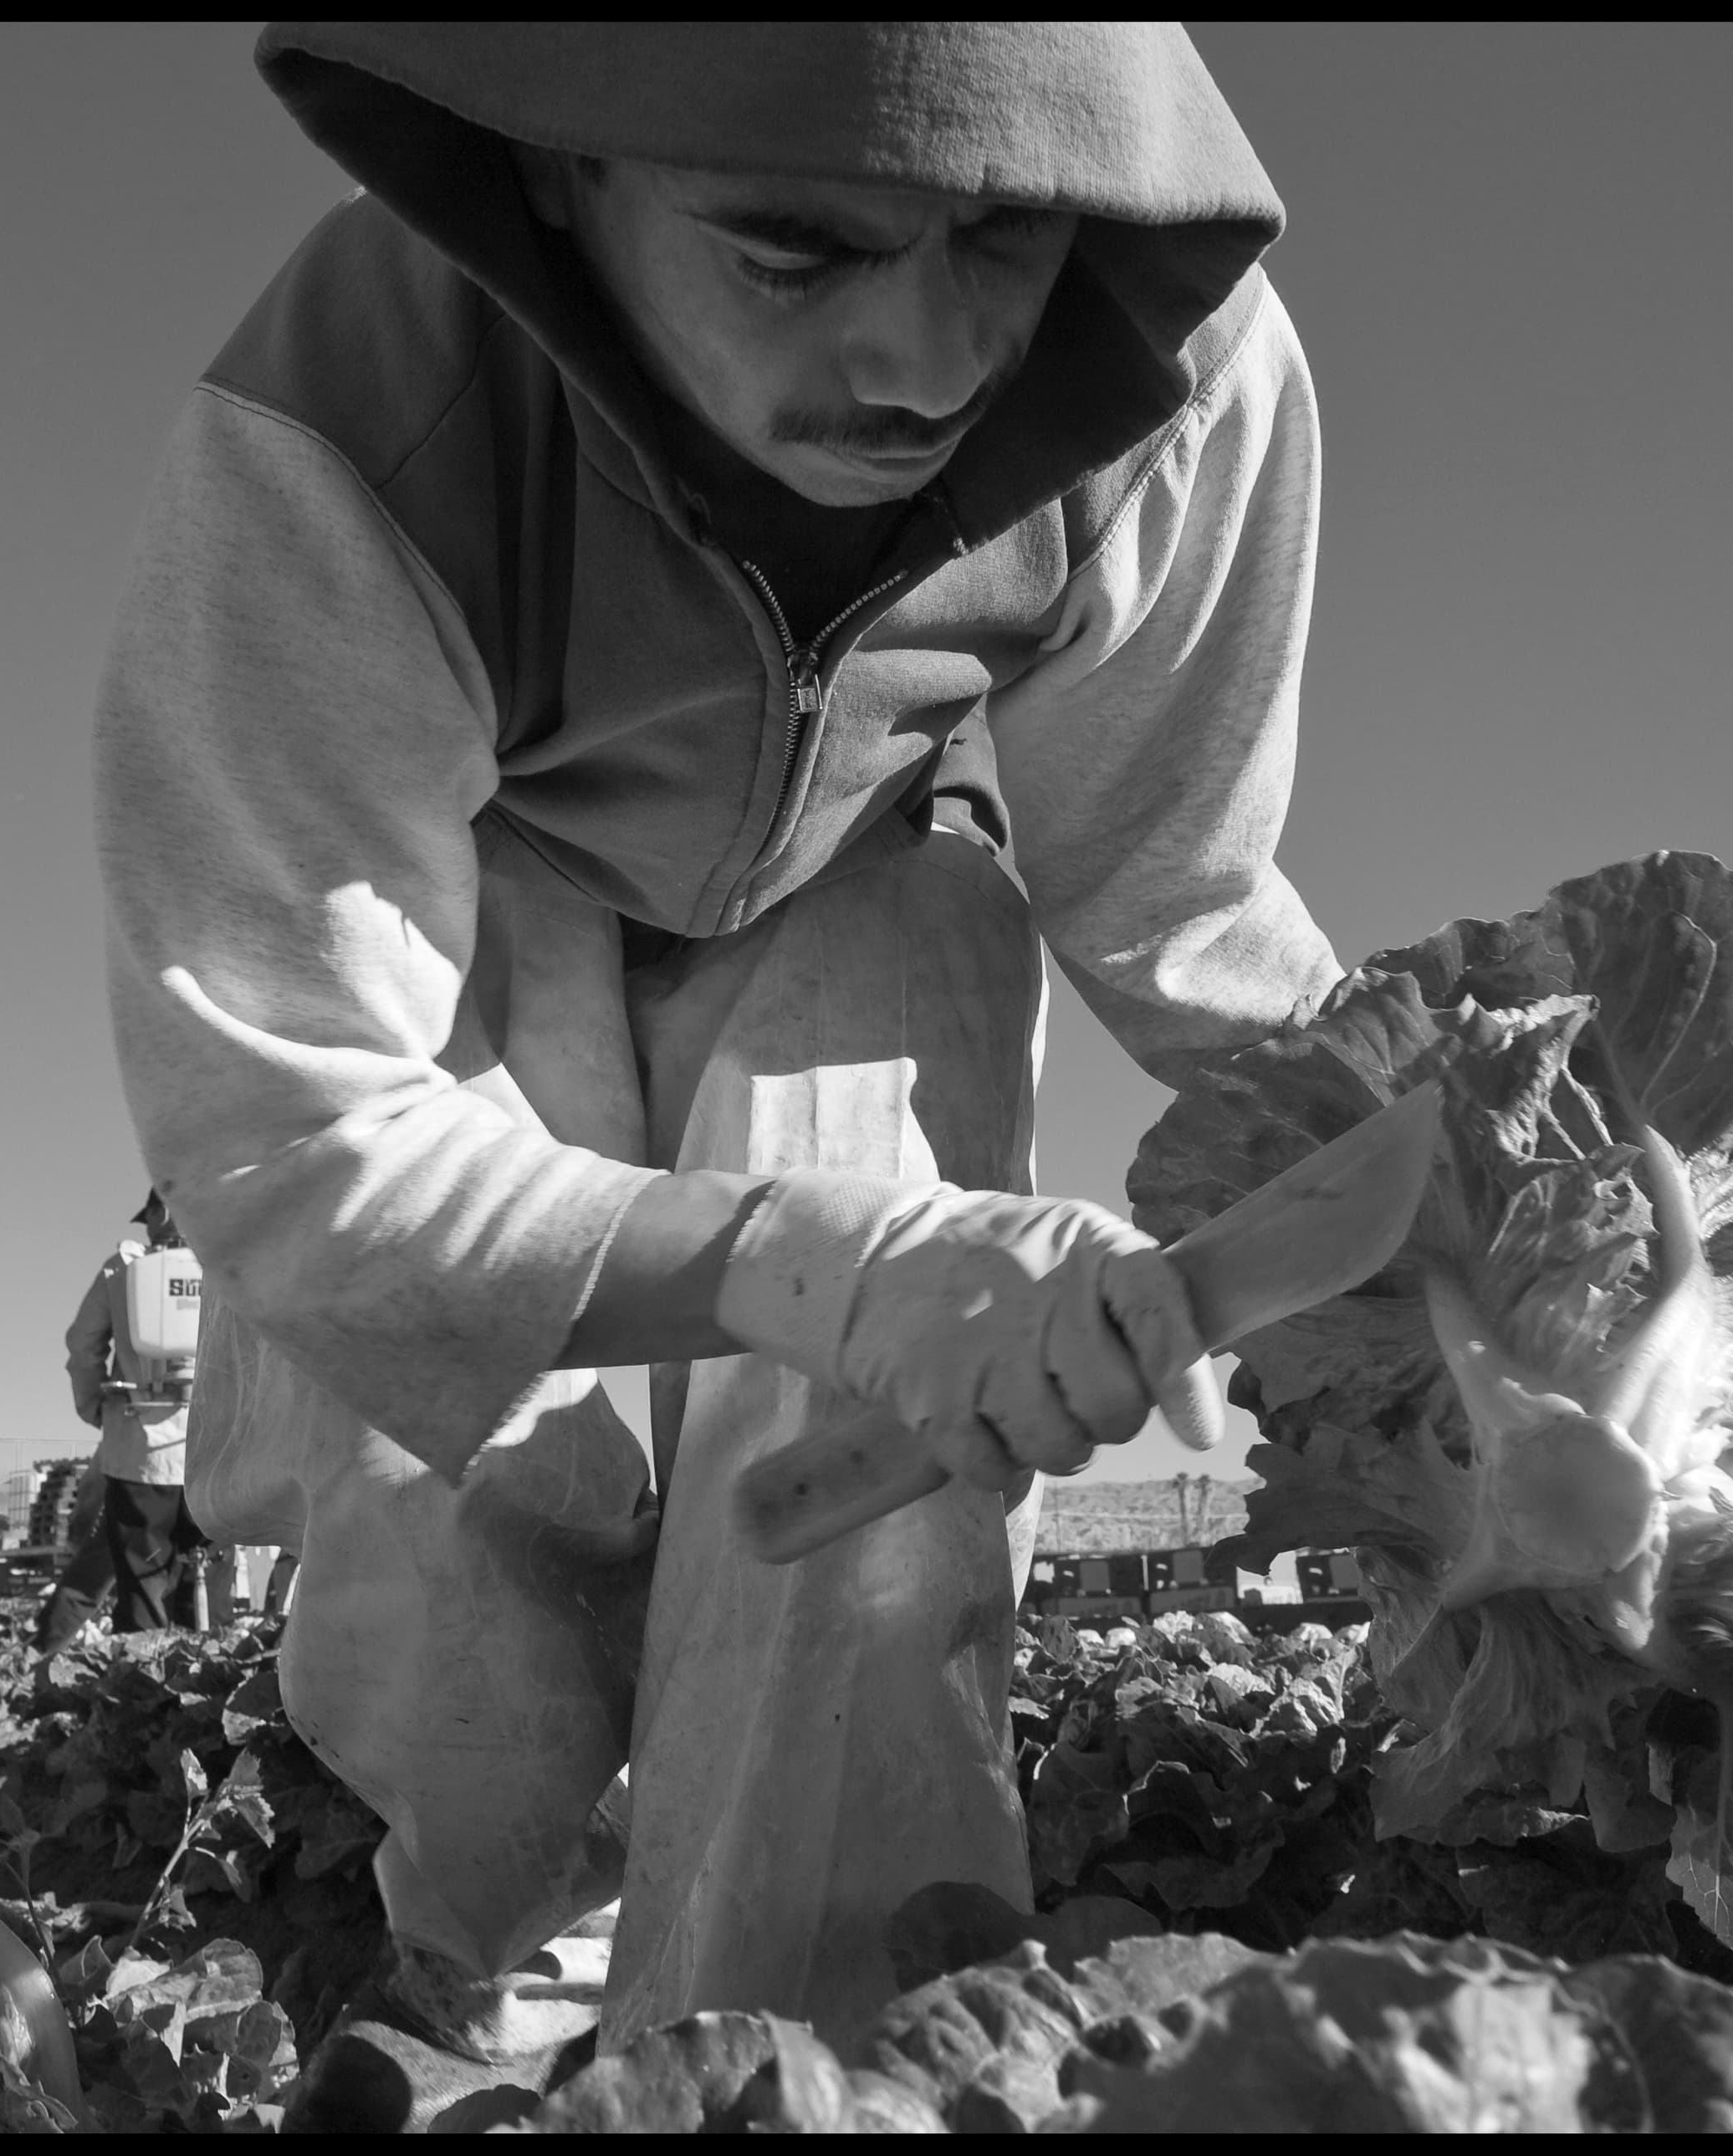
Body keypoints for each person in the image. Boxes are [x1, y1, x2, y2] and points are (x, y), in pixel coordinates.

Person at [96, 22, 1343, 2090]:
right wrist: (807, 1255)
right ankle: (495, 1971)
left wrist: (1461, 1184)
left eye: (1004, 239)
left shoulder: (1180, 376)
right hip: (487, 900)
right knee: (473, 1504)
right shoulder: (338, 425)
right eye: (790, 248)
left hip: (876, 872)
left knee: (868, 1498)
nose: (927, 359)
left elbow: (1173, 892)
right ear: (562, 165)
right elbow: (304, 1122)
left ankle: (819, 2053)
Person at [37, 1191, 211, 1646]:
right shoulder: (225, 1264)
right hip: (213, 1453)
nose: (148, 1227)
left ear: (165, 1209)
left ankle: (143, 1690)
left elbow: (82, 1344)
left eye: (150, 1214)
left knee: (142, 1586)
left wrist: (94, 1406)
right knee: (197, 1583)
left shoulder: (124, 1268)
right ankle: (195, 1690)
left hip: (141, 1451)